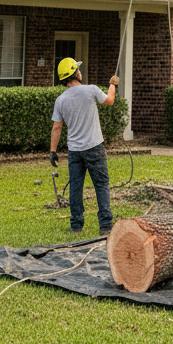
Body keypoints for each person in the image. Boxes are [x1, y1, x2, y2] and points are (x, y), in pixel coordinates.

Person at [49, 57, 119, 237]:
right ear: (76, 74)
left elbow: (57, 128)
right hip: (95, 147)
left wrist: (53, 151)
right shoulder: (91, 90)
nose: (81, 72)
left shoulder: (60, 100)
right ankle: (105, 226)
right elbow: (110, 101)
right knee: (101, 185)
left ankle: (76, 225)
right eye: (78, 70)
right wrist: (112, 85)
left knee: (76, 187)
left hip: (75, 151)